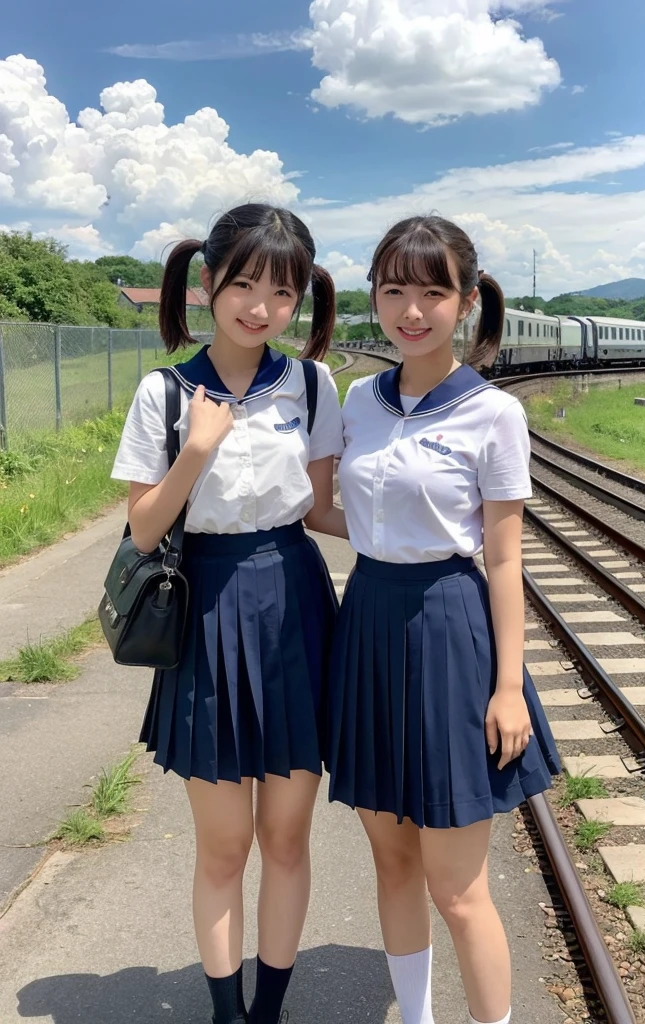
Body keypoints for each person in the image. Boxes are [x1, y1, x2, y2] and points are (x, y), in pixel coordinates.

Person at [111, 203, 346, 1024]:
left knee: (286, 838)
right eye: (243, 284)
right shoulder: (163, 392)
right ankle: (226, 1013)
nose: (261, 306)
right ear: (208, 284)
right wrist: (198, 449)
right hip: (203, 609)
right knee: (225, 844)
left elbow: (320, 511)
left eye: (282, 292)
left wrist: (440, 537)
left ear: (301, 300)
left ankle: (270, 1009)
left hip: (294, 600)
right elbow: (143, 528)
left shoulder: (313, 385)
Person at [326, 215, 561, 1024]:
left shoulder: (494, 414)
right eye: (395, 290)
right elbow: (343, 514)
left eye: (433, 292)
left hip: (449, 629)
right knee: (391, 864)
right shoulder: (359, 399)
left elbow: (503, 558)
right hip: (369, 625)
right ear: (375, 298)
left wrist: (507, 688)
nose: (411, 311)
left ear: (465, 301)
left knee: (458, 889)